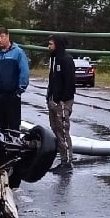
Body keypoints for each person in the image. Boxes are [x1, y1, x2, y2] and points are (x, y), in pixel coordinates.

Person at [0, 28, 29, 131]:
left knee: (13, 127)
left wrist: (19, 91)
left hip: (12, 96)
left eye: (2, 37)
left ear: (8, 36)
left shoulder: (18, 53)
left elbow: (24, 72)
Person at [44, 35, 76, 171]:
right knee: (56, 129)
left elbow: (70, 83)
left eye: (51, 44)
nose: (49, 46)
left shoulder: (66, 60)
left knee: (63, 131)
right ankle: (62, 160)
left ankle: (67, 162)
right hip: (53, 101)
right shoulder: (54, 59)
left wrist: (61, 100)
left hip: (62, 103)